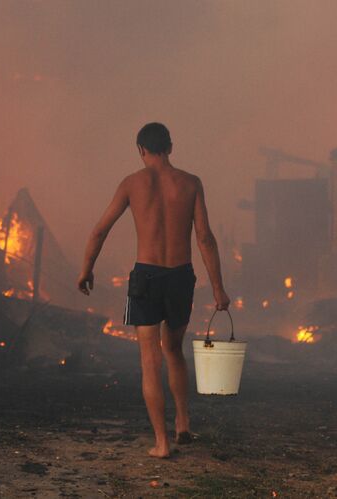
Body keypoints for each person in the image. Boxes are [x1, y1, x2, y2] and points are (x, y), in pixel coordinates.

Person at [77, 122, 230, 458]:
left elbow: (99, 230)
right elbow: (205, 237)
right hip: (180, 276)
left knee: (150, 361)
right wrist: (218, 288)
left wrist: (87, 269)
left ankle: (161, 444)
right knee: (174, 350)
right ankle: (183, 424)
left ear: (141, 150)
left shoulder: (132, 183)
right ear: (170, 147)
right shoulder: (191, 183)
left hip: (146, 277)